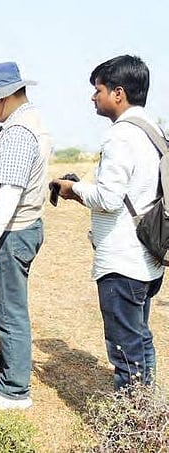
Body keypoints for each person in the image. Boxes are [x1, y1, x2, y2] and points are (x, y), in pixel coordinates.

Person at [55, 55, 163, 390]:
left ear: (118, 93)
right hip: (148, 257)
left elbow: (109, 198)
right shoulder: (153, 131)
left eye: (98, 90)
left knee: (125, 351)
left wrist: (73, 190)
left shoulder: (121, 136)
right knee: (140, 338)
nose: (93, 97)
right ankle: (147, 409)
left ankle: (131, 417)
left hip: (123, 260)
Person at [0, 62, 52, 410]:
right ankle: (8, 365)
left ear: (4, 96)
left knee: (7, 310)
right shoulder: (26, 123)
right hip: (21, 227)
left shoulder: (18, 132)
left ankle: (14, 390)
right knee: (7, 303)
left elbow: (10, 191)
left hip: (11, 231)